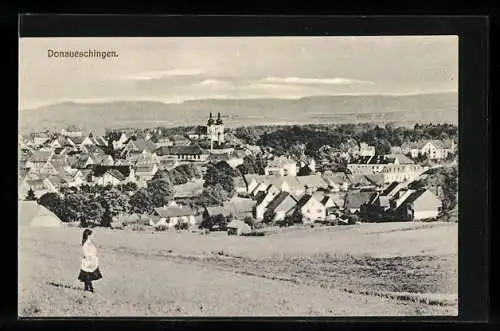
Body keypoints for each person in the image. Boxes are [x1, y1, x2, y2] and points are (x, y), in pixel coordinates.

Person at [78, 229, 102, 293]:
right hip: (88, 261)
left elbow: (94, 250)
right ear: (88, 236)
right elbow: (86, 253)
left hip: (91, 260)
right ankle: (90, 288)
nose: (92, 236)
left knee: (87, 275)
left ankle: (87, 288)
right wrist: (91, 257)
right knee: (87, 275)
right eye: (91, 235)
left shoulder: (90, 242)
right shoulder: (86, 244)